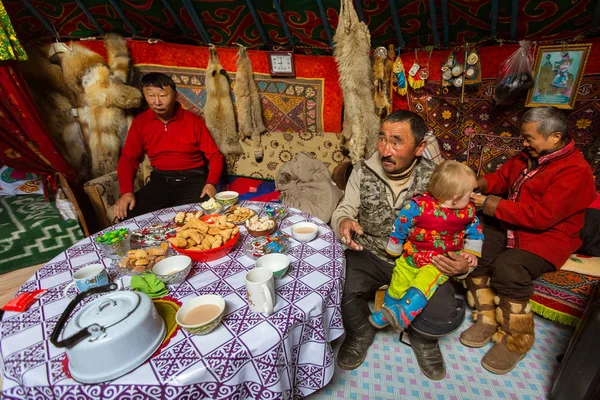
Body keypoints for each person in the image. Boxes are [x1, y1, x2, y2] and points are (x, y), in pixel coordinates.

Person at [331, 110, 471, 380]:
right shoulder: (362, 170)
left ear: (419, 148)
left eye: (396, 141)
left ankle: (423, 340)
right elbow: (345, 207)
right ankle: (361, 333)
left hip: (422, 260)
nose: (385, 149)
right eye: (382, 139)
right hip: (370, 252)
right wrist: (344, 221)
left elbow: (460, 226)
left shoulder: (436, 178)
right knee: (338, 283)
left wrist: (463, 265)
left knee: (443, 312)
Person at [466, 106, 596, 375]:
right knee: (474, 249)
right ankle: (487, 317)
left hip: (549, 236)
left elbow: (541, 217)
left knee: (508, 268)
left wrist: (490, 203)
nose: (523, 143)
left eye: (528, 138)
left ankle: (517, 340)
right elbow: (501, 178)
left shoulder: (576, 172)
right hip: (511, 222)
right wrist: (476, 184)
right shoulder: (529, 155)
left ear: (555, 137)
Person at [370, 161, 484, 332]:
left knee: (423, 283)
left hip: (439, 262)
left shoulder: (467, 212)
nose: (474, 197)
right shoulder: (418, 206)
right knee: (398, 281)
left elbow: (475, 231)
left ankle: (404, 314)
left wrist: (470, 252)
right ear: (454, 199)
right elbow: (401, 224)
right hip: (411, 256)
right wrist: (395, 246)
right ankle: (387, 313)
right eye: (470, 193)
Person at [115, 73, 224, 220]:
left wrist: (210, 183)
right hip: (160, 181)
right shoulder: (140, 123)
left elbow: (215, 156)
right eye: (151, 96)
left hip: (193, 180)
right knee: (128, 214)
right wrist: (126, 192)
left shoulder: (193, 121)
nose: (157, 102)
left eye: (162, 95)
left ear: (175, 95)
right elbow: (129, 159)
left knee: (208, 216)